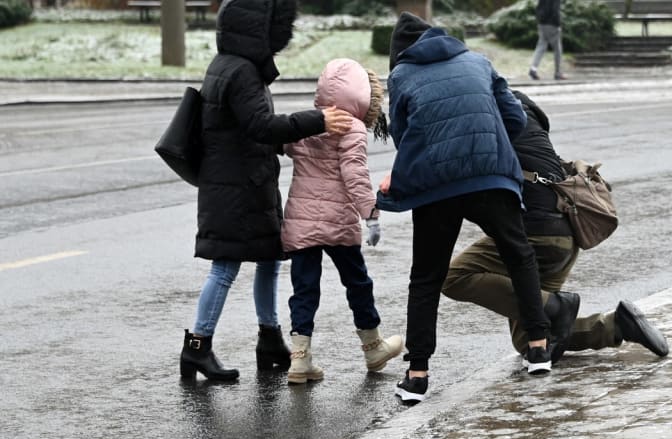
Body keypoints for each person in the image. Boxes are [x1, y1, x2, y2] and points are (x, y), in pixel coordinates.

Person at [379, 12, 574, 405]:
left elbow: (403, 134)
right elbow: (515, 118)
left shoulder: (400, 75)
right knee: (518, 255)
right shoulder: (478, 60)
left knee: (426, 277)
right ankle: (538, 347)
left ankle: (417, 376)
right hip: (490, 177)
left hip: (437, 185)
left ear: (399, 53)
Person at [179, 0, 353, 382]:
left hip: (247, 181)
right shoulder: (240, 71)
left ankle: (269, 340)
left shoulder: (231, 65)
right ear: (258, 30)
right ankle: (197, 347)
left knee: (269, 261)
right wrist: (318, 121)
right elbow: (260, 125)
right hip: (237, 187)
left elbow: (246, 127)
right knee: (225, 266)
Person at [442, 90, 669, 362]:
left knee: (453, 277)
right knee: (530, 341)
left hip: (535, 236)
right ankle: (616, 325)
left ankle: (558, 307)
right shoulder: (525, 113)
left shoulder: (481, 119)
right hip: (565, 234)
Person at [281, 58, 403, 385]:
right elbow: (355, 176)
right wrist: (371, 215)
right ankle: (373, 346)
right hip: (338, 224)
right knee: (358, 284)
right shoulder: (352, 128)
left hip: (302, 223)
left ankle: (300, 359)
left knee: (304, 289)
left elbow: (279, 142)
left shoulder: (306, 123)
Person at [529, 0, 566, 81]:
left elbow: (538, 8)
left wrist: (539, 20)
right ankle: (558, 73)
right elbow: (555, 10)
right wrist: (558, 24)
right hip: (552, 24)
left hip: (541, 24)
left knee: (541, 47)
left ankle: (533, 69)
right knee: (557, 50)